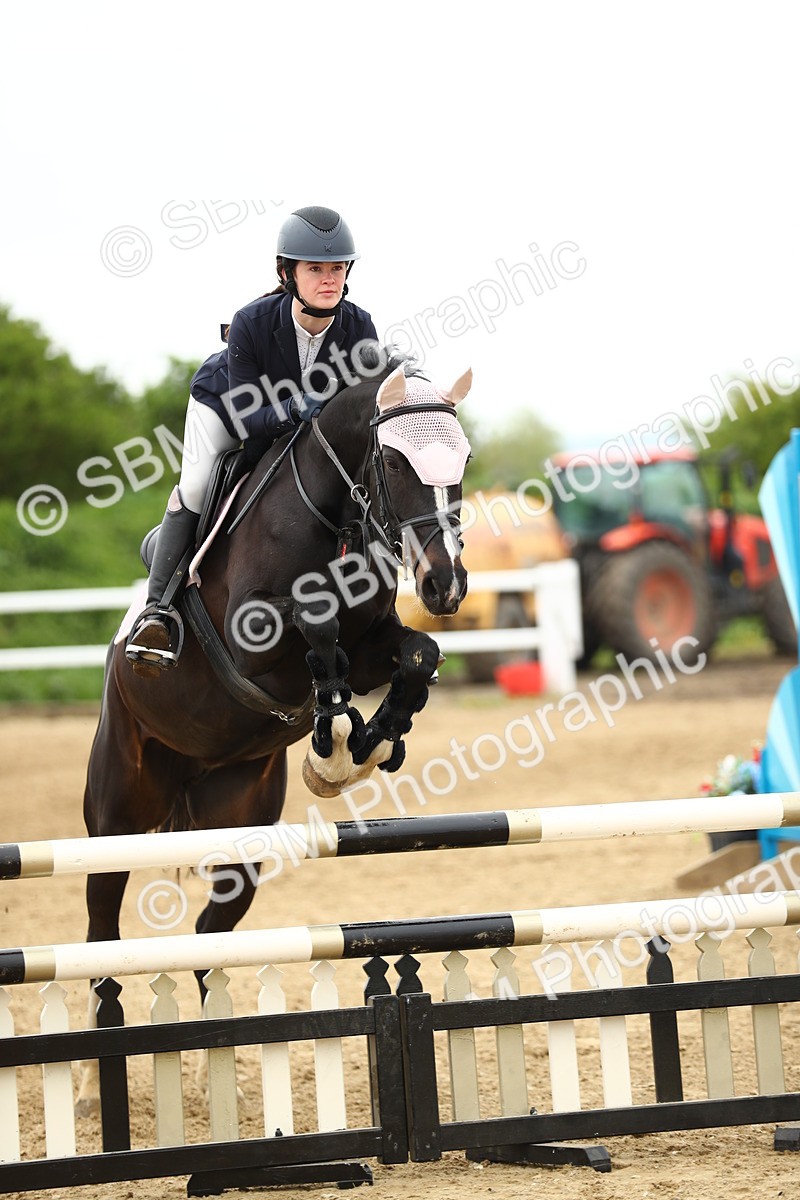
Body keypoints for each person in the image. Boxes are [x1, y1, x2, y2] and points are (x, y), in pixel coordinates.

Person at [125, 206, 379, 669]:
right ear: (287, 273)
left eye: (337, 268)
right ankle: (157, 610)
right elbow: (246, 420)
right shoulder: (251, 322)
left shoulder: (360, 328)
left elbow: (361, 416)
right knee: (199, 485)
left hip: (304, 431)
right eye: (315, 269)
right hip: (225, 408)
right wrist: (291, 409)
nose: (329, 279)